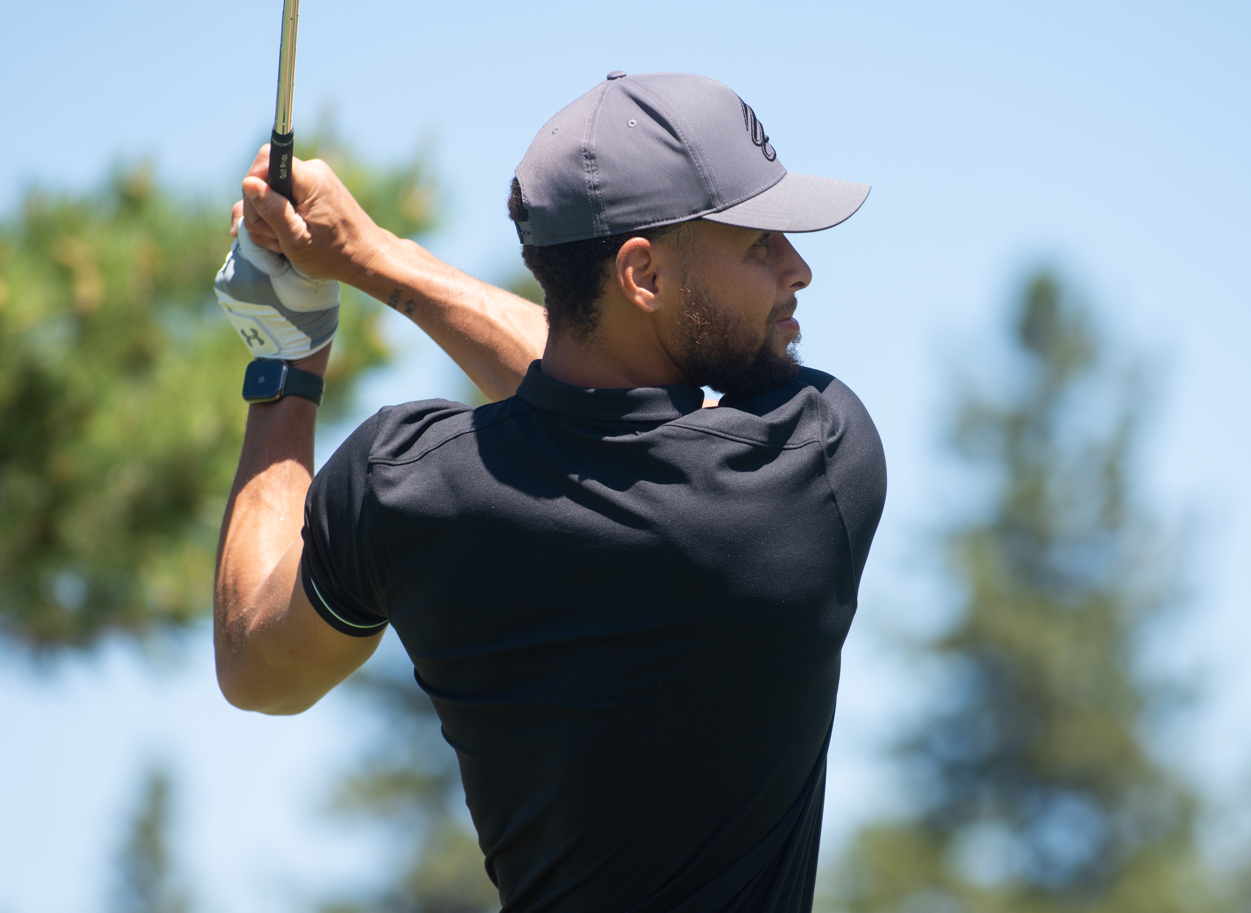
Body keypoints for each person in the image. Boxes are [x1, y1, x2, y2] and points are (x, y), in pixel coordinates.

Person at [213, 72, 886, 913]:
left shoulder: (411, 484)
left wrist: (290, 348)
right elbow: (605, 410)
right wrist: (376, 256)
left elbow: (257, 667)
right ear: (640, 274)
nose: (799, 269)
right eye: (759, 245)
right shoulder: (812, 460)